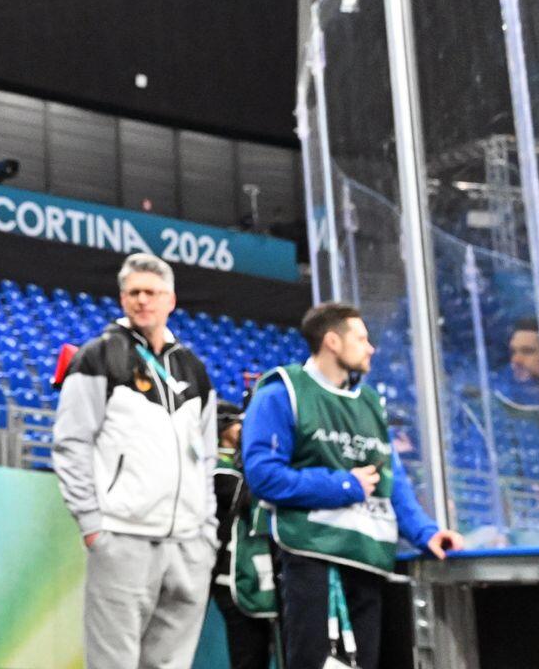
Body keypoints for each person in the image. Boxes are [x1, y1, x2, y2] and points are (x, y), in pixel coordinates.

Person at [241, 302, 464, 669]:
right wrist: (344, 485)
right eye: (361, 339)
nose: (370, 348)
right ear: (332, 341)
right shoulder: (282, 392)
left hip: (367, 558)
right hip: (312, 554)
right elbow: (264, 477)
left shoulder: (370, 402)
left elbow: (392, 481)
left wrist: (426, 533)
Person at [51, 253, 217, 669]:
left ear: (170, 300)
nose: (143, 300)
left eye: (152, 293)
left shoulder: (194, 369)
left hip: (188, 544)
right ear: (123, 299)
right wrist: (93, 526)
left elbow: (208, 456)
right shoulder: (97, 357)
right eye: (134, 293)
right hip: (122, 538)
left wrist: (207, 534)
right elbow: (71, 444)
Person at [209, 408, 275, 669]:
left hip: (259, 577)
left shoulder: (238, 466)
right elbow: (244, 493)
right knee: (248, 657)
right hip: (232, 577)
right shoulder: (217, 471)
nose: (243, 430)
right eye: (237, 424)